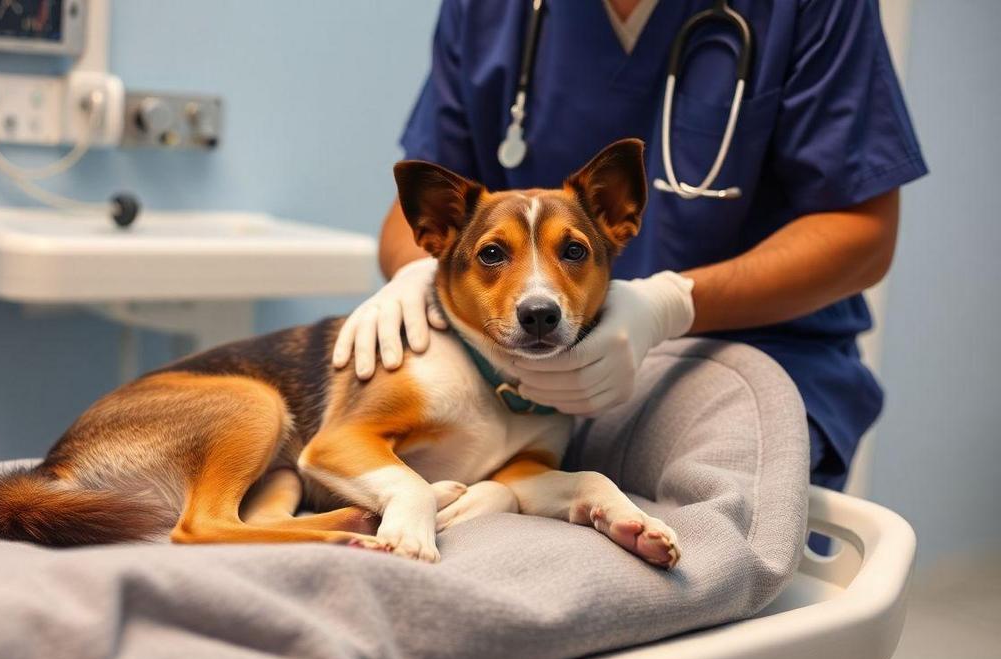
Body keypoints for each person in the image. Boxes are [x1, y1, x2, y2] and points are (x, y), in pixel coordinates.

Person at [333, 0, 927, 493]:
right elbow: (422, 208)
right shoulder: (493, 11)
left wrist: (670, 304)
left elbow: (862, 235)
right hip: (515, 379)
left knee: (707, 546)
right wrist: (418, 275)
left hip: (746, 354)